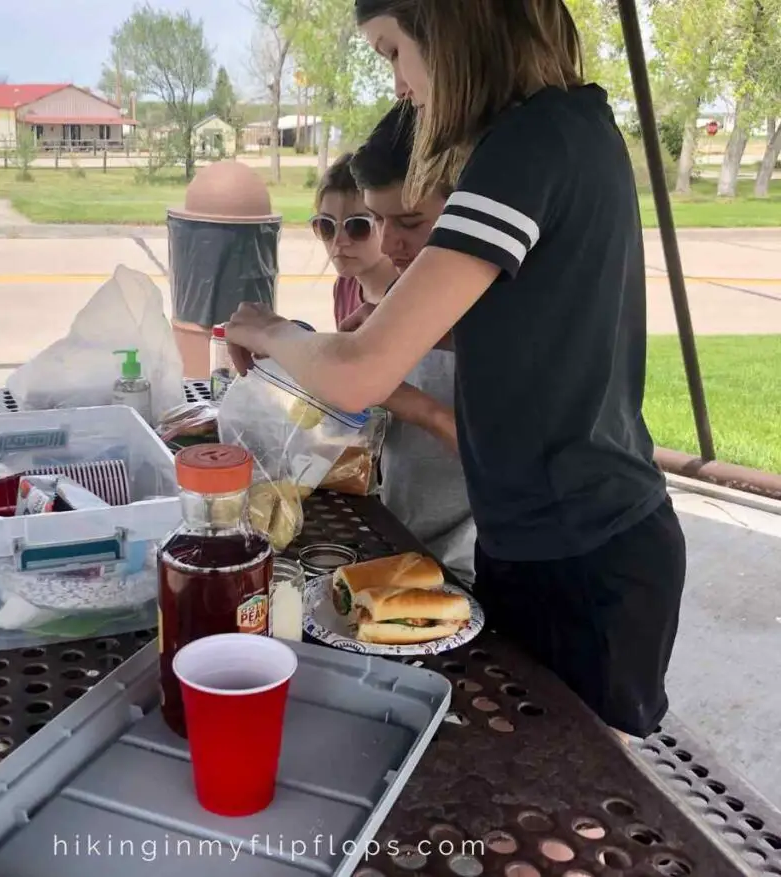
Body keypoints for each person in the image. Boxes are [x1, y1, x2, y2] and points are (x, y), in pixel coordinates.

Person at [223, 0, 686, 742]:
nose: (402, 85)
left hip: (583, 554)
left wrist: (269, 329)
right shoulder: (578, 126)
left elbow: (358, 374)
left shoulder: (525, 146)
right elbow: (526, 336)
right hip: (556, 540)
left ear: (447, 25)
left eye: (391, 52)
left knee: (574, 807)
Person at [348, 101, 476, 583]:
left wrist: (390, 389)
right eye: (376, 220)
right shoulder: (405, 296)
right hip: (407, 543)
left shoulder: (512, 316)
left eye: (409, 222)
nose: (385, 245)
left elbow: (516, 464)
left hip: (475, 567)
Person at [310, 153, 397, 326]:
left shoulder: (413, 295)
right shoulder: (345, 285)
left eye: (358, 226)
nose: (339, 241)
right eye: (326, 225)